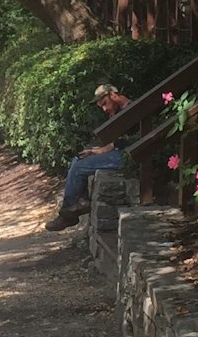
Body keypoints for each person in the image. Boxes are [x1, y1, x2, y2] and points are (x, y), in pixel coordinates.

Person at [45, 82, 133, 230]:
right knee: (80, 158)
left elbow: (127, 142)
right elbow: (118, 141)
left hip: (128, 156)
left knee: (80, 166)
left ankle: (68, 214)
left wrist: (104, 149)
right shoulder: (118, 112)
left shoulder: (132, 109)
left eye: (105, 103)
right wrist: (97, 150)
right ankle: (81, 201)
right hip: (122, 152)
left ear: (113, 95)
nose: (105, 109)